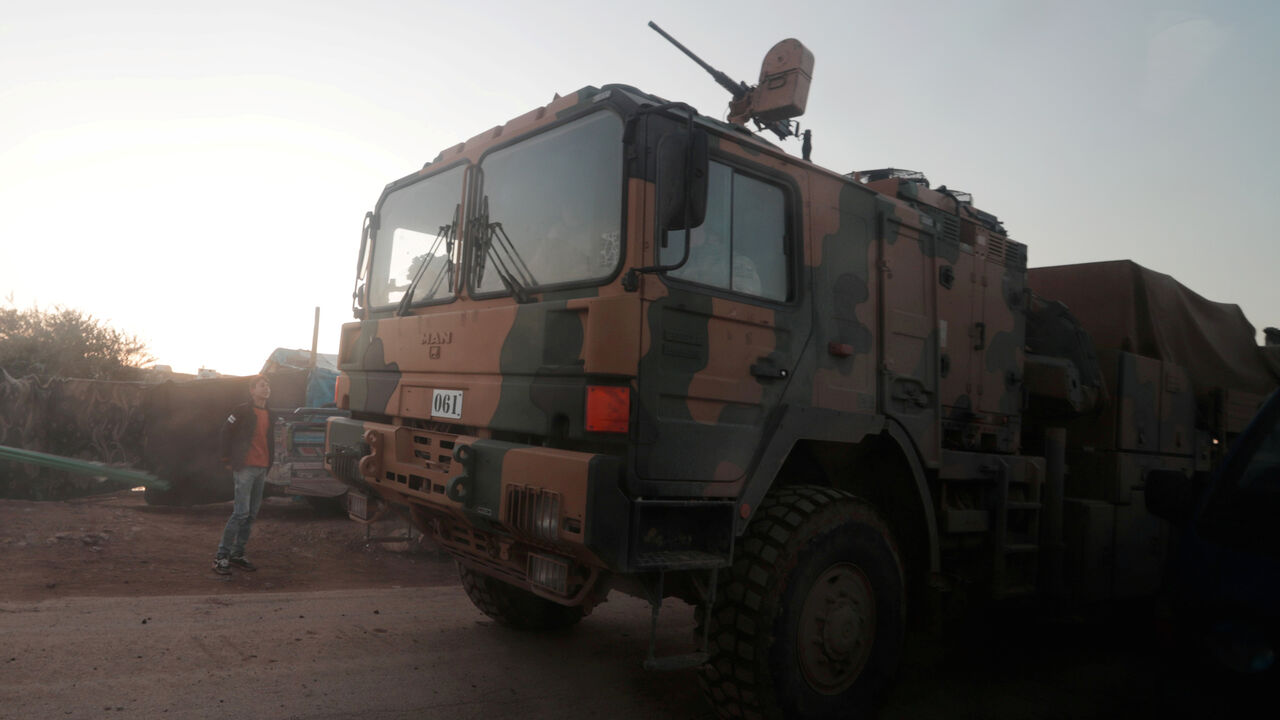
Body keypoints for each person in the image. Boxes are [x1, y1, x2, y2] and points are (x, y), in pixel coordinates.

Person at [212, 375, 274, 575]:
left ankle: (237, 554)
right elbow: (225, 433)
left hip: (261, 468)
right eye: (262, 386)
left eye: (268, 386)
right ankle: (221, 557)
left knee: (251, 514)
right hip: (245, 468)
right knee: (240, 513)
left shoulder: (269, 414)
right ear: (252, 390)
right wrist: (226, 459)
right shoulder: (241, 411)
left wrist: (269, 463)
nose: (266, 389)